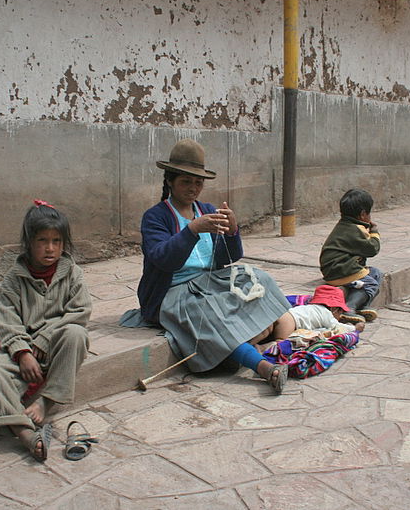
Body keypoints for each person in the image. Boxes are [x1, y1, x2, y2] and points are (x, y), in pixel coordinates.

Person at [129, 138, 292, 394]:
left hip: (209, 280)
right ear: (170, 181)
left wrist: (232, 230)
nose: (193, 188)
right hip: (173, 290)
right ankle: (261, 366)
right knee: (208, 313)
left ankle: (240, 344)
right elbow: (162, 259)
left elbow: (230, 257)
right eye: (185, 181)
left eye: (198, 182)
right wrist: (192, 230)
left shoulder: (205, 209)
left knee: (259, 279)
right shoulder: (156, 216)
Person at [0, 200, 91, 462]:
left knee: (77, 335)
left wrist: (45, 336)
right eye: (42, 240)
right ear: (29, 242)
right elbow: (7, 322)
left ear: (64, 244)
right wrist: (22, 352)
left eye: (56, 241)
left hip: (57, 346)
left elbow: (81, 311)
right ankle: (23, 431)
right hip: (26, 349)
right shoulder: (13, 280)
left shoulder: (72, 273)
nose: (50, 248)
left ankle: (46, 402)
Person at [319, 188, 383, 323]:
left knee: (376, 273)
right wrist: (375, 233)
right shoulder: (355, 230)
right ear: (363, 214)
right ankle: (350, 307)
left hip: (339, 268)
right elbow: (372, 249)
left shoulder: (346, 225)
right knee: (370, 283)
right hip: (340, 269)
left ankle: (362, 305)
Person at [267, 285, 364, 343]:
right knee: (280, 343)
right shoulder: (327, 314)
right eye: (340, 312)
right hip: (290, 322)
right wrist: (355, 328)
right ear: (334, 308)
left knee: (265, 332)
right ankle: (260, 349)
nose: (340, 317)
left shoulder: (311, 308)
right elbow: (336, 327)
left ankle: (252, 344)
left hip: (283, 315)